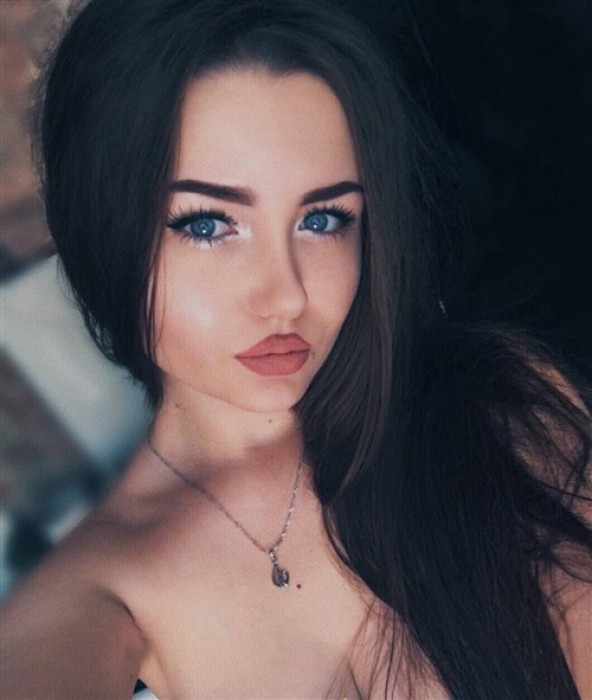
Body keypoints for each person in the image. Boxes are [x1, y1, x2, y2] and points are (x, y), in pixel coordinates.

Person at [1, 0, 591, 698]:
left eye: (323, 219)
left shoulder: (502, 409)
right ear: (106, 230)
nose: (284, 296)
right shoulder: (98, 591)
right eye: (207, 224)